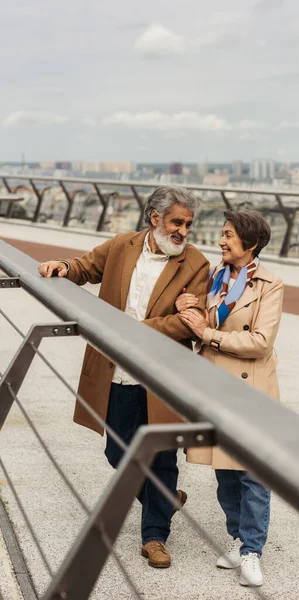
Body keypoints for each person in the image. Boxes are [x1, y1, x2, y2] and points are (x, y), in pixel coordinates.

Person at [38, 186, 209, 569]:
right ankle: (163, 498)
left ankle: (155, 537)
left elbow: (187, 324)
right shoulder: (121, 245)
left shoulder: (196, 264)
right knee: (117, 453)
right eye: (176, 222)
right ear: (155, 219)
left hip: (161, 376)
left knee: (161, 456)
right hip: (115, 369)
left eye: (188, 224)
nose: (183, 230)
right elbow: (85, 267)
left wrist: (133, 328)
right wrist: (63, 267)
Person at [175, 210, 284, 587]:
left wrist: (208, 334)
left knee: (252, 472)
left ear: (250, 244)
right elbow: (198, 319)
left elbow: (259, 343)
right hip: (214, 384)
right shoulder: (214, 278)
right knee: (225, 471)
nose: (221, 241)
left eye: (228, 236)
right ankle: (239, 540)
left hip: (250, 386)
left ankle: (252, 550)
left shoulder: (270, 284)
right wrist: (187, 309)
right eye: (222, 234)